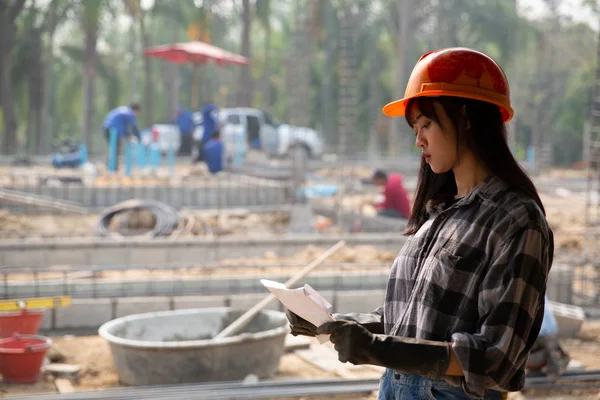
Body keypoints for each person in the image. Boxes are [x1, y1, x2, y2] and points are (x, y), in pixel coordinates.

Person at [286, 47, 554, 399]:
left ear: (466, 118)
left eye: (426, 124)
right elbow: (412, 319)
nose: (418, 140)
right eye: (416, 127)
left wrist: (380, 350)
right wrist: (337, 326)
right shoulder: (437, 213)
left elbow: (497, 359)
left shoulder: (516, 220)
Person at [526, 296, 570, 377]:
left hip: (543, 331)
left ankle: (551, 375)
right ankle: (550, 374)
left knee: (551, 355)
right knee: (550, 353)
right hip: (545, 330)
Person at [103, 103, 141, 170]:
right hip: (112, 130)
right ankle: (112, 167)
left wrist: (128, 135)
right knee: (115, 149)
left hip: (107, 129)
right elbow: (134, 127)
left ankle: (111, 166)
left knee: (113, 149)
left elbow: (123, 127)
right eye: (137, 113)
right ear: (135, 110)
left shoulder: (124, 110)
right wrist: (139, 138)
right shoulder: (129, 113)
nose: (137, 115)